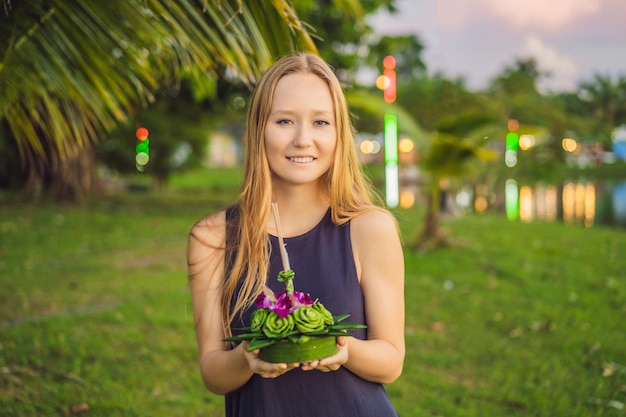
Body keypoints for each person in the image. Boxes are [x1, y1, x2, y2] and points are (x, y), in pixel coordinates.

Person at [187, 52, 405, 417]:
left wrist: (344, 348)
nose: (303, 139)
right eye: (285, 120)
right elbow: (213, 373)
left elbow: (391, 360)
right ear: (259, 128)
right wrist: (247, 358)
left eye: (321, 122)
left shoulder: (370, 228)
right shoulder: (212, 239)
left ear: (338, 133)